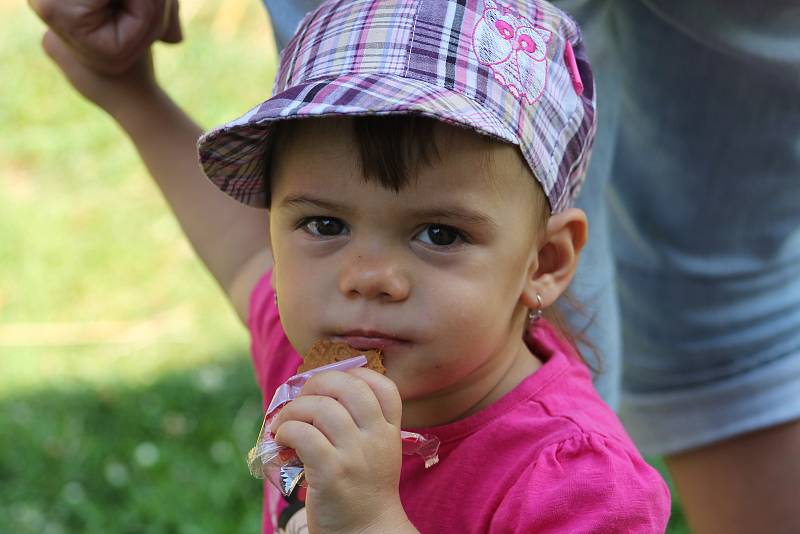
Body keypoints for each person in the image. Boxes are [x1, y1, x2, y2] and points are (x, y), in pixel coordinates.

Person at [28, 0, 800, 533]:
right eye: (324, 223)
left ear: (547, 260)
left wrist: (371, 519)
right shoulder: (320, 358)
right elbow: (238, 252)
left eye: (437, 233)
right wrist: (132, 96)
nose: (369, 275)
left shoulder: (574, 482)